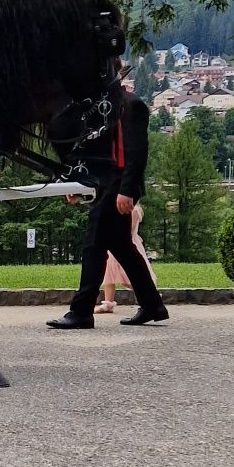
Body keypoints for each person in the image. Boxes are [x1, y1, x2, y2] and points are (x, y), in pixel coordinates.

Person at [48, 75, 169, 330]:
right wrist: (76, 186)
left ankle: (81, 312)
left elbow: (136, 153)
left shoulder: (130, 105)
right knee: (122, 247)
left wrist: (127, 190)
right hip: (104, 187)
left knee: (94, 245)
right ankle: (152, 305)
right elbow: (92, 154)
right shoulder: (99, 110)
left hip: (118, 188)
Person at [96, 196, 155, 315]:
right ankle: (108, 302)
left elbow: (129, 229)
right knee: (109, 274)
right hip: (115, 242)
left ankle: (149, 296)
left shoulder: (134, 211)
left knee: (130, 275)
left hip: (127, 243)